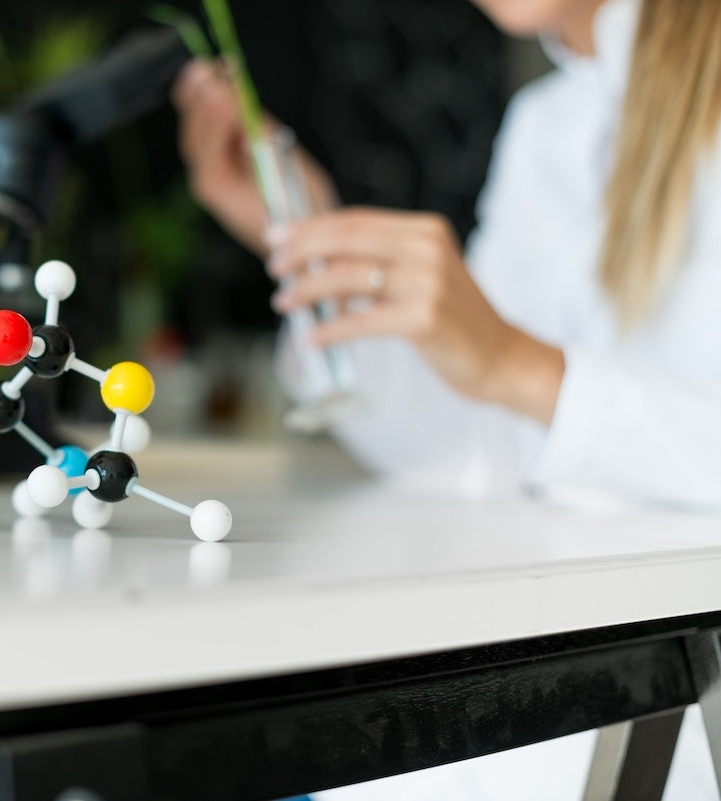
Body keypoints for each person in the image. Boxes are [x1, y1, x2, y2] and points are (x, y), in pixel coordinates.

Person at [172, 0, 721, 797]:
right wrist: (306, 239)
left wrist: (522, 365)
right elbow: (482, 448)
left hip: (673, 721)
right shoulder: (548, 123)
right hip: (574, 690)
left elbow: (525, 392)